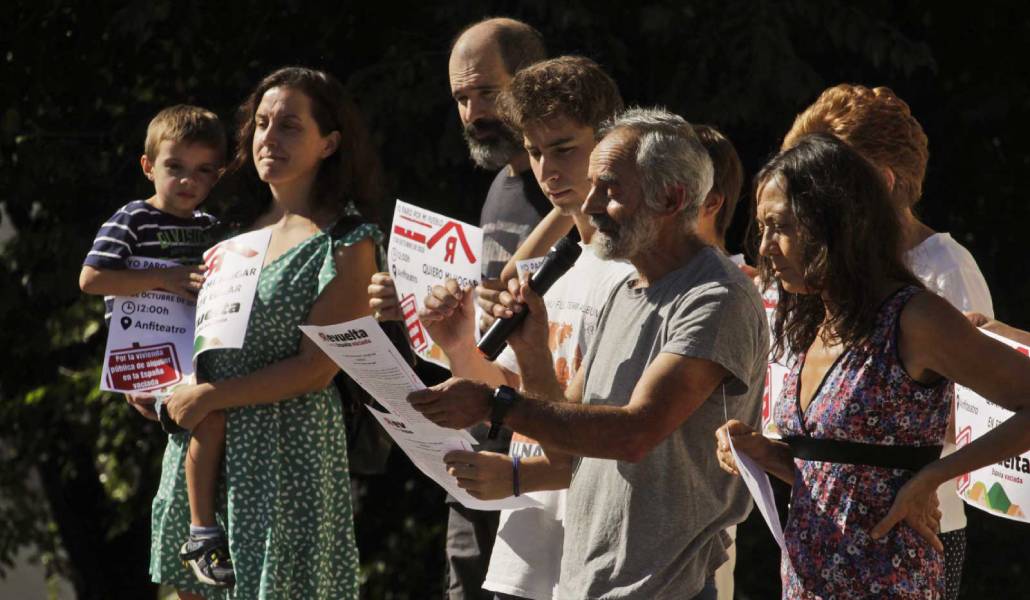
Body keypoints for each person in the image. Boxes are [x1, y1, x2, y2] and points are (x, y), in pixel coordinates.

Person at [409, 107, 768, 600]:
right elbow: (566, 446)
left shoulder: (715, 295)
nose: (591, 202)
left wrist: (494, 406)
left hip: (664, 587)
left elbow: (635, 433)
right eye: (593, 184)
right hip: (586, 582)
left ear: (672, 197)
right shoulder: (628, 290)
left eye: (611, 188)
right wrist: (532, 352)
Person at [716, 133, 1030, 599]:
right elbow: (842, 475)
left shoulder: (914, 318)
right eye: (761, 228)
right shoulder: (812, 323)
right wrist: (764, 455)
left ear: (833, 223)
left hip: (888, 584)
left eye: (779, 227)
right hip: (806, 585)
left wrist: (934, 476)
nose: (765, 247)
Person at [150, 66, 382, 599]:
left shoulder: (347, 240)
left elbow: (317, 366)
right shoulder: (227, 235)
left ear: (329, 144)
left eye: (290, 126)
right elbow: (198, 346)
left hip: (286, 460)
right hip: (206, 457)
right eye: (260, 123)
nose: (269, 138)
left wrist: (207, 397)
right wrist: (161, 388)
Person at [409, 55, 627, 600]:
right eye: (533, 152)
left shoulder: (639, 274)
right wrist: (458, 342)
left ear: (612, 141)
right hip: (528, 550)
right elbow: (508, 393)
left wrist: (515, 477)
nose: (548, 170)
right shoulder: (555, 268)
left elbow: (617, 433)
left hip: (609, 558)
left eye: (564, 149)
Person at [780, 83, 993, 598]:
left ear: (881, 181)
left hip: (918, 530)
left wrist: (929, 475)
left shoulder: (942, 269)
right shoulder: (825, 272)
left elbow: (979, 409)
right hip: (828, 535)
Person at [368, 18, 550, 599]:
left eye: (486, 92)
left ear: (534, 81)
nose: (473, 113)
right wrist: (414, 312)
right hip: (481, 435)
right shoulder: (499, 185)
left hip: (548, 447)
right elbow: (484, 326)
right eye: (461, 99)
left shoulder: (577, 189)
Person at [79, 105, 234, 585]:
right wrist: (166, 277)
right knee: (208, 415)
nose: (189, 181)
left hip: (198, 351)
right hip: (147, 356)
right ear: (148, 167)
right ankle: (202, 533)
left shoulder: (212, 227)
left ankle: (214, 526)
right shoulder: (132, 218)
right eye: (175, 168)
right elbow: (90, 278)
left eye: (204, 171)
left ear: (219, 175)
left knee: (217, 417)